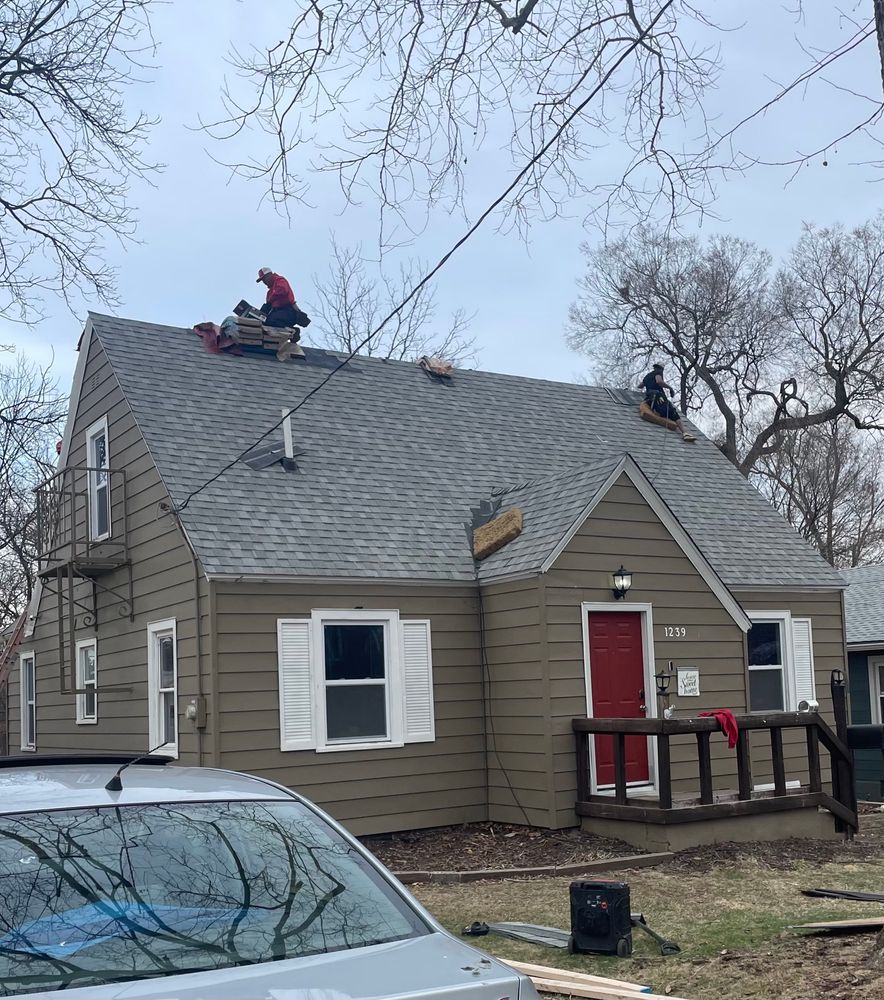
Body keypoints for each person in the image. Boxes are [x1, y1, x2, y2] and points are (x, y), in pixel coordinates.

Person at [640, 363, 696, 442]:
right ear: (661, 369)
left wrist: (648, 385)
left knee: (664, 409)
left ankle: (657, 412)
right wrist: (670, 388)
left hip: (650, 399)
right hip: (658, 397)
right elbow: (659, 381)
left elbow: (640, 386)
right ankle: (685, 433)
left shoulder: (647, 376)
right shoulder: (658, 373)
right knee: (673, 412)